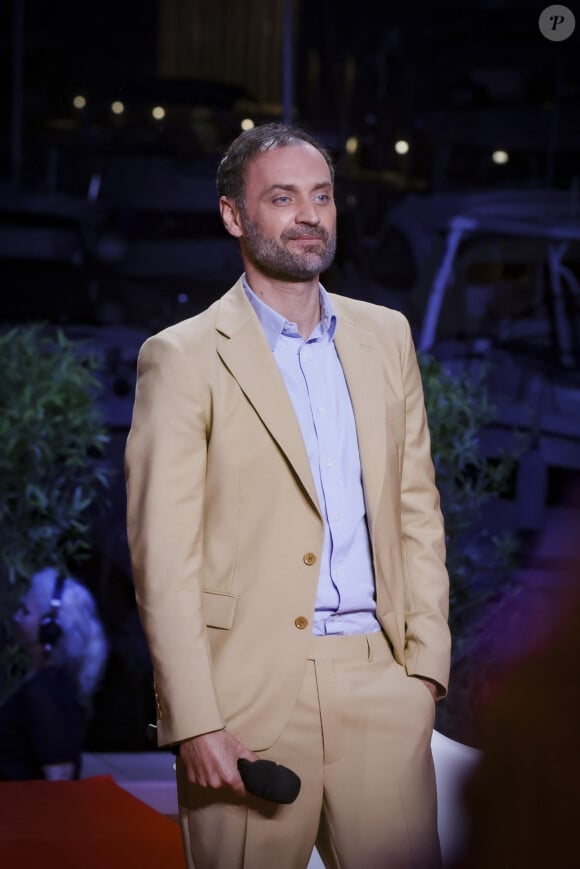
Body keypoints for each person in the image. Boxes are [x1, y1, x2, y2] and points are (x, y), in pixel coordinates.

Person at [125, 122, 451, 869]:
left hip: (382, 685)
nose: (309, 214)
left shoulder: (386, 336)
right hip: (245, 695)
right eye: (282, 197)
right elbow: (164, 558)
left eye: (322, 196)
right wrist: (195, 719)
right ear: (234, 215)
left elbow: (414, 508)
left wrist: (424, 667)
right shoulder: (181, 357)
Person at [0, 567, 108, 781]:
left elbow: (60, 778)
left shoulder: (45, 691)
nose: (16, 617)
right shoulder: (47, 683)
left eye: (26, 612)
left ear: (51, 629)